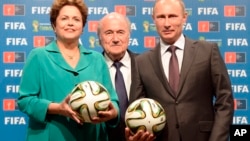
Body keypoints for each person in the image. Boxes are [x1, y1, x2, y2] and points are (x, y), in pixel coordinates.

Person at [126, 0, 234, 141]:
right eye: (161, 17)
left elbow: (225, 101)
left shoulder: (208, 52)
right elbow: (137, 108)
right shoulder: (141, 62)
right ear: (153, 19)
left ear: (184, 17)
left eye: (172, 16)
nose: (166, 23)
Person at [17, 0, 119, 141]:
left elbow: (113, 100)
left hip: (91, 136)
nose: (70, 23)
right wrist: (58, 108)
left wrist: (112, 113)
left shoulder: (97, 59)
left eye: (76, 19)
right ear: (54, 25)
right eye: (64, 18)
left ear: (83, 27)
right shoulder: (38, 56)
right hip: (51, 135)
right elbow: (24, 101)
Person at [97, 12, 139, 141]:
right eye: (109, 33)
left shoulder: (145, 64)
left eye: (120, 32)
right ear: (99, 38)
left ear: (129, 35)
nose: (115, 39)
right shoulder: (92, 68)